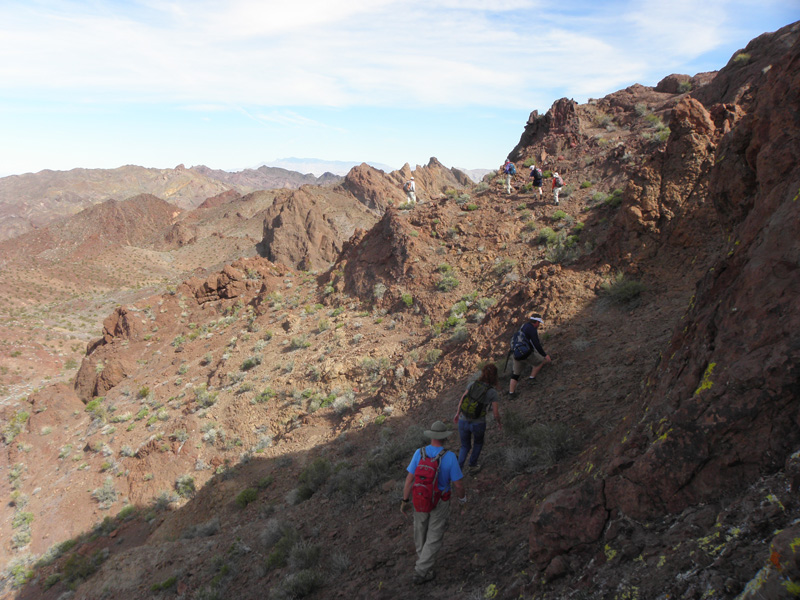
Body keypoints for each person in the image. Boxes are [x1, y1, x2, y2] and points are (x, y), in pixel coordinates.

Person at [401, 421, 466, 585]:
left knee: (420, 532)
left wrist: (405, 500)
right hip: (440, 501)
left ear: (431, 436)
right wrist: (462, 500)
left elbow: (409, 480)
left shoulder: (419, 453)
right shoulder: (450, 457)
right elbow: (458, 485)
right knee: (434, 536)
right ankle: (421, 571)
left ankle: (425, 567)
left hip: (420, 499)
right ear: (444, 438)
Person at [453, 363, 502, 474]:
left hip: (463, 420)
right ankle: (472, 465)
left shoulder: (472, 384)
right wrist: (499, 422)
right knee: (478, 443)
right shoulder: (492, 392)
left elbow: (462, 400)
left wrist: (457, 413)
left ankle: (457, 470)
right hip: (478, 423)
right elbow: (495, 413)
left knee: (465, 446)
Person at [508, 313, 552, 397]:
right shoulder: (532, 329)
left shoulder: (524, 326)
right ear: (536, 322)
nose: (539, 325)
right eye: (538, 323)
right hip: (525, 353)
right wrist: (545, 355)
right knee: (540, 362)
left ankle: (511, 393)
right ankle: (531, 378)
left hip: (516, 354)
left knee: (515, 374)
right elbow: (536, 344)